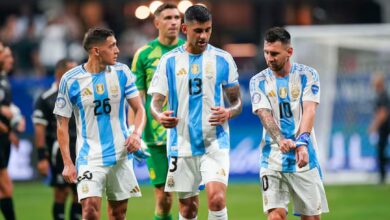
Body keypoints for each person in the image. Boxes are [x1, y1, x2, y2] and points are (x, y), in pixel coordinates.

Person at [149, 5, 242, 220]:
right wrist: (159, 115)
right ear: (185, 29)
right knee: (188, 208)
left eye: (208, 30)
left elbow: (236, 102)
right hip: (180, 144)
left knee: (217, 200)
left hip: (214, 142)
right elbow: (156, 102)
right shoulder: (169, 61)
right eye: (198, 31)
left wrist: (228, 112)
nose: (204, 36)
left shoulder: (223, 59)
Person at [53, 27, 146, 220]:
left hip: (121, 155)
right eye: (111, 46)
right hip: (90, 157)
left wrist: (136, 134)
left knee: (118, 213)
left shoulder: (122, 72)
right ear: (96, 51)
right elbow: (62, 124)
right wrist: (68, 163)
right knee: (89, 210)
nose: (117, 50)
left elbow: (139, 109)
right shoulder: (71, 80)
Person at [249, 27, 329, 220]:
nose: (269, 58)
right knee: (275, 216)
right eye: (266, 53)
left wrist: (301, 143)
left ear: (289, 52)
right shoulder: (258, 81)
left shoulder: (307, 75)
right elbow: (264, 113)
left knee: (311, 218)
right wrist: (280, 139)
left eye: (274, 53)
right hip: (272, 158)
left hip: (304, 158)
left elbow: (309, 110)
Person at [131, 2, 184, 220]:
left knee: (188, 197)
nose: (173, 22)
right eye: (168, 18)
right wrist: (134, 132)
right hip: (156, 137)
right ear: (156, 22)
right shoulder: (144, 55)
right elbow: (137, 100)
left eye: (177, 18)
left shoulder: (189, 50)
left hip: (185, 134)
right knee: (163, 197)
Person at [33, 58, 82, 220]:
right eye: (71, 71)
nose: (76, 74)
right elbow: (40, 129)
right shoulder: (46, 98)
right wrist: (42, 157)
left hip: (82, 148)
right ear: (60, 73)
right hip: (60, 151)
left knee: (81, 193)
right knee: (61, 192)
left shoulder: (82, 93)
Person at [0, 44, 25, 220]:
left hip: (3, 138)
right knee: (6, 186)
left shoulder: (4, 80)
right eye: (4, 54)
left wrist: (9, 132)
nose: (10, 59)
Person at [369, 74, 390, 184]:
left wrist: (374, 126)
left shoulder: (382, 95)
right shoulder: (382, 94)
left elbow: (383, 114)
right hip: (384, 127)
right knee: (382, 151)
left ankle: (382, 177)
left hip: (385, 127)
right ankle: (382, 176)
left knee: (381, 151)